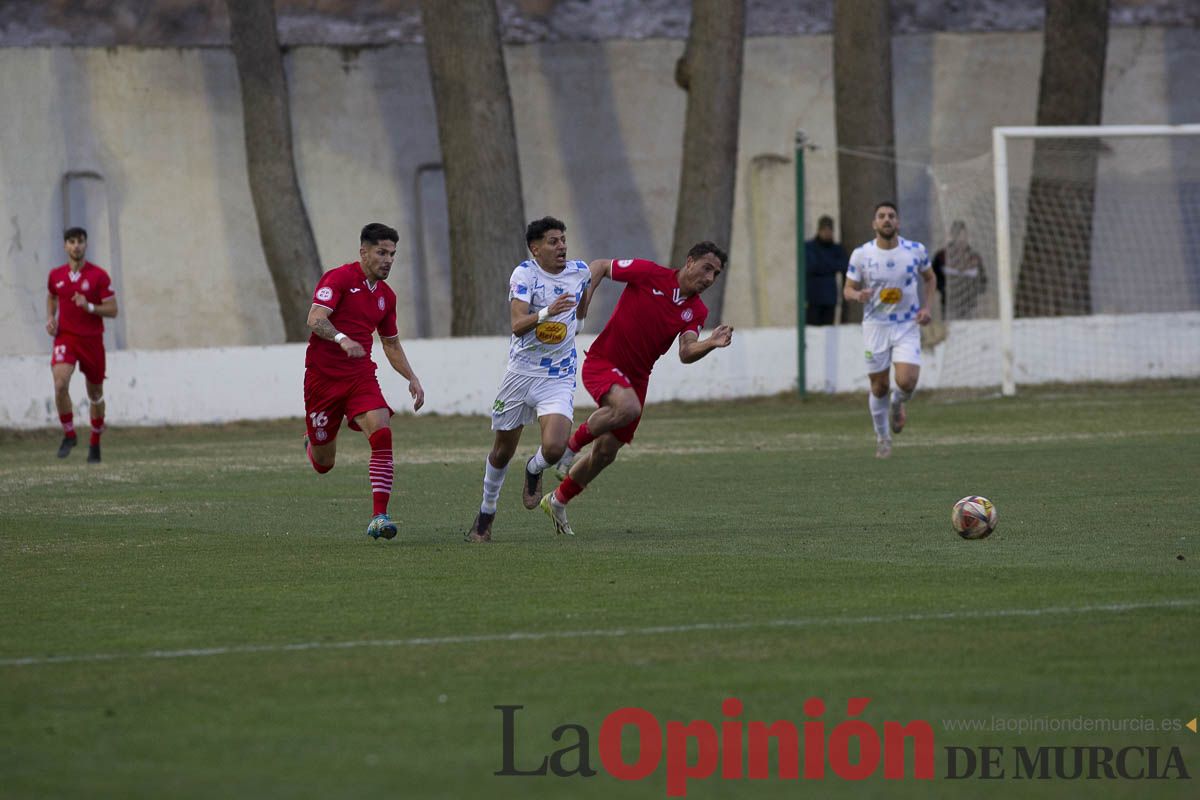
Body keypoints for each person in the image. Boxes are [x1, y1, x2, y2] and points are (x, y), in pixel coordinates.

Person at [540, 243, 734, 536]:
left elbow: (686, 351)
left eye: (716, 274)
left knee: (606, 453)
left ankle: (557, 500)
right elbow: (601, 265)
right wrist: (583, 308)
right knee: (628, 407)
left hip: (637, 379)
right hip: (604, 361)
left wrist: (710, 343)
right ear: (690, 261)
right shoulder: (649, 274)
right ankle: (569, 449)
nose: (709, 278)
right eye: (707, 268)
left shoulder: (696, 310)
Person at [465, 217, 593, 543]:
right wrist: (549, 311)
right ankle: (486, 512)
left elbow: (595, 275)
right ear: (536, 249)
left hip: (558, 375)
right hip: (521, 374)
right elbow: (517, 324)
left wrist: (579, 320)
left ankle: (534, 469)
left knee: (555, 446)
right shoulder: (525, 274)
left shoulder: (579, 271)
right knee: (502, 451)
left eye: (563, 239)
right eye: (553, 241)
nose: (561, 246)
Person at [303, 223, 425, 540]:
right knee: (324, 463)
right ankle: (312, 443)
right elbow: (315, 318)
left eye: (392, 254)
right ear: (364, 252)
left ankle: (378, 516)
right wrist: (342, 339)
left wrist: (411, 377)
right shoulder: (339, 278)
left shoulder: (386, 297)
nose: (388, 260)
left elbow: (391, 343)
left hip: (360, 376)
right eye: (381, 252)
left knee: (381, 428)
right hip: (323, 380)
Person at [843, 202, 937, 459]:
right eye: (881, 216)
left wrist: (927, 308)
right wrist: (858, 294)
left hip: (906, 324)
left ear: (898, 223)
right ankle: (883, 438)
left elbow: (930, 278)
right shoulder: (862, 254)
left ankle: (898, 404)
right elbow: (847, 289)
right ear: (874, 223)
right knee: (879, 386)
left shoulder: (915, 251)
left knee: (906, 381)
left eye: (891, 216)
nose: (887, 220)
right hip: (875, 326)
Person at [46, 227, 118, 463]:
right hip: (66, 337)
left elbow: (113, 309)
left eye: (80, 241)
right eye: (72, 242)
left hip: (91, 340)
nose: (76, 246)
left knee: (95, 395)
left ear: (86, 245)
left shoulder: (98, 276)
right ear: (65, 246)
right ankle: (69, 434)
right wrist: (51, 317)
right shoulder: (56, 275)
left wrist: (89, 307)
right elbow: (52, 295)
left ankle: (95, 442)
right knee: (59, 384)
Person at [931, 220, 987, 319]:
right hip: (948, 306)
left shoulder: (974, 257)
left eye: (964, 236)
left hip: (970, 306)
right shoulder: (941, 256)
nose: (961, 239)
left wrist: (973, 289)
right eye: (958, 235)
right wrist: (943, 289)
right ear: (952, 236)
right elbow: (932, 278)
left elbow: (983, 281)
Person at [804, 215, 848, 326]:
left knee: (829, 330)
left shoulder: (836, 249)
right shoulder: (809, 247)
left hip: (830, 299)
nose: (827, 233)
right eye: (824, 230)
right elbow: (812, 266)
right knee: (813, 332)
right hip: (813, 298)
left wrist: (823, 262)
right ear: (819, 231)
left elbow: (843, 265)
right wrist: (830, 264)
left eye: (830, 230)